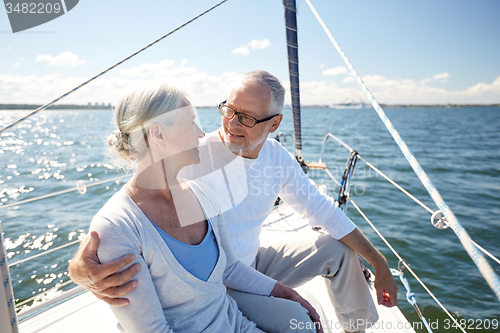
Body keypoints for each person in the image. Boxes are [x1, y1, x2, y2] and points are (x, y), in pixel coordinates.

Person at [70, 71, 398, 333]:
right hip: (218, 284)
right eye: (229, 110)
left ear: (274, 124)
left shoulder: (274, 158)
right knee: (297, 319)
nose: (230, 124)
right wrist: (79, 265)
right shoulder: (190, 156)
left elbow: (321, 209)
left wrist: (379, 262)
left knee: (337, 250)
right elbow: (134, 212)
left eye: (247, 117)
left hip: (243, 265)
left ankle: (358, 328)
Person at [85, 81, 323, 333]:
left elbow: (230, 268)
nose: (200, 133)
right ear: (158, 134)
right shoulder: (118, 227)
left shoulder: (203, 194)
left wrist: (288, 294)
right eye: (190, 122)